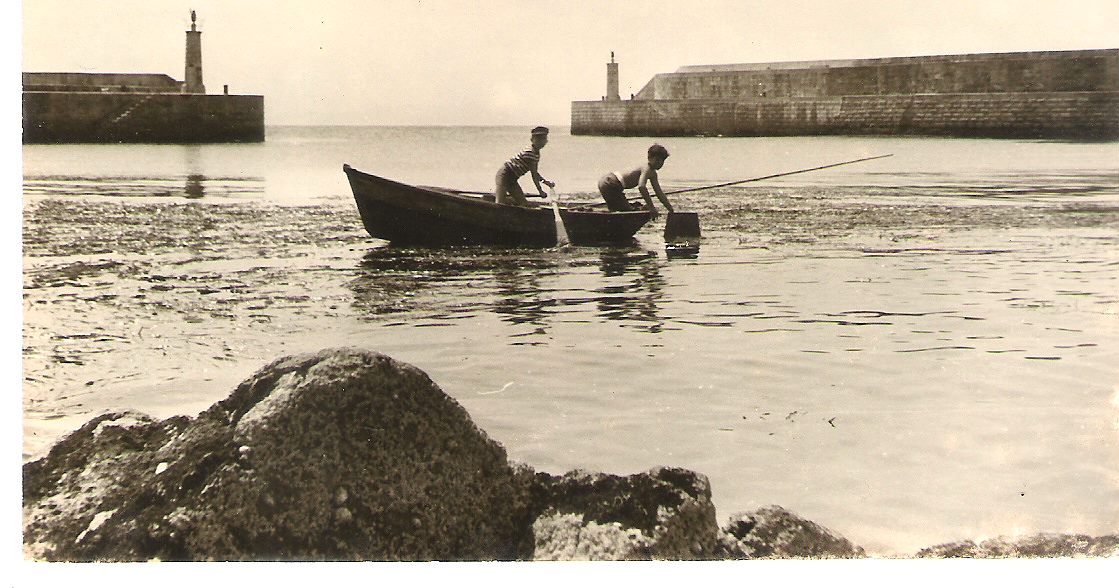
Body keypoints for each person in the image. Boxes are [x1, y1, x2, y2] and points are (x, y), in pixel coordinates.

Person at [597, 144, 674, 218]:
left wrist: (671, 210)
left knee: (616, 209)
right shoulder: (646, 169)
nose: (660, 163)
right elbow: (641, 186)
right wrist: (651, 208)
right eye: (657, 160)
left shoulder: (653, 174)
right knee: (627, 212)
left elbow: (659, 193)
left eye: (662, 161)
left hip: (606, 182)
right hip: (611, 183)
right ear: (649, 158)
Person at [495, 126, 555, 207]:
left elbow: (536, 173)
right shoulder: (530, 152)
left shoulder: (536, 153)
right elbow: (534, 175)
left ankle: (508, 201)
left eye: (544, 139)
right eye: (541, 139)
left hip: (512, 179)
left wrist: (546, 182)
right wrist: (540, 191)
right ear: (533, 140)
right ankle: (505, 200)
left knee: (523, 204)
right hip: (504, 175)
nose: (544, 142)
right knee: (499, 204)